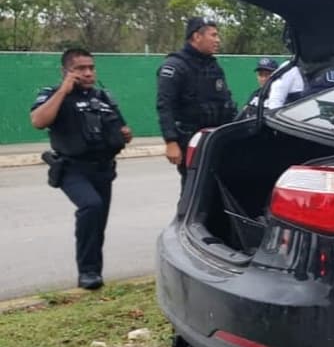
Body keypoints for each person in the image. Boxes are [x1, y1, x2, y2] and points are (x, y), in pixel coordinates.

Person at [30, 49, 133, 290]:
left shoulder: (103, 97)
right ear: (66, 71)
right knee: (91, 206)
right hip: (72, 168)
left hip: (103, 169)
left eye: (91, 68)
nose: (88, 73)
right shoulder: (52, 95)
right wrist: (63, 90)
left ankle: (94, 273)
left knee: (98, 222)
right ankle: (86, 272)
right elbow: (38, 121)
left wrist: (124, 135)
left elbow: (121, 129)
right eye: (80, 68)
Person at [156, 17, 237, 194]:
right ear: (196, 36)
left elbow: (225, 101)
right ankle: (184, 221)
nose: (218, 40)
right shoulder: (175, 66)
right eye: (213, 35)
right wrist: (171, 141)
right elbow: (165, 106)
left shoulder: (213, 66)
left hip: (215, 138)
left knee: (216, 190)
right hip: (190, 139)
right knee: (193, 191)